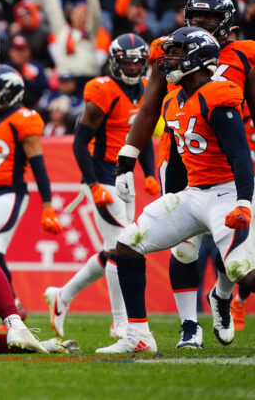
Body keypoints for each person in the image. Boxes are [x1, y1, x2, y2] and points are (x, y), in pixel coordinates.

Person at [98, 26, 255, 354]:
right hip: (194, 193)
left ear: (198, 59)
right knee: (127, 244)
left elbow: (241, 154)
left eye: (177, 54)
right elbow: (184, 159)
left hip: (227, 193)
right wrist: (169, 193)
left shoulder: (218, 94)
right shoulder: (173, 101)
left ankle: (221, 299)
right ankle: (139, 335)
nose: (167, 60)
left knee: (243, 273)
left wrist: (245, 201)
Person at [44, 33, 158, 339]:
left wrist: (149, 173)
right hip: (103, 174)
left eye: (138, 62)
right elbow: (80, 144)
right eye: (128, 62)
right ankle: (119, 320)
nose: (133, 68)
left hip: (125, 176)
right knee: (123, 247)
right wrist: (93, 184)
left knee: (117, 247)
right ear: (114, 61)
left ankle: (63, 295)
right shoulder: (103, 90)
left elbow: (142, 136)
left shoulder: (148, 89)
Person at [0, 65, 61, 316]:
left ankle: (13, 308)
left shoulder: (24, 118)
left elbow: (38, 165)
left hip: (9, 193)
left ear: (10, 91)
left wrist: (48, 205)